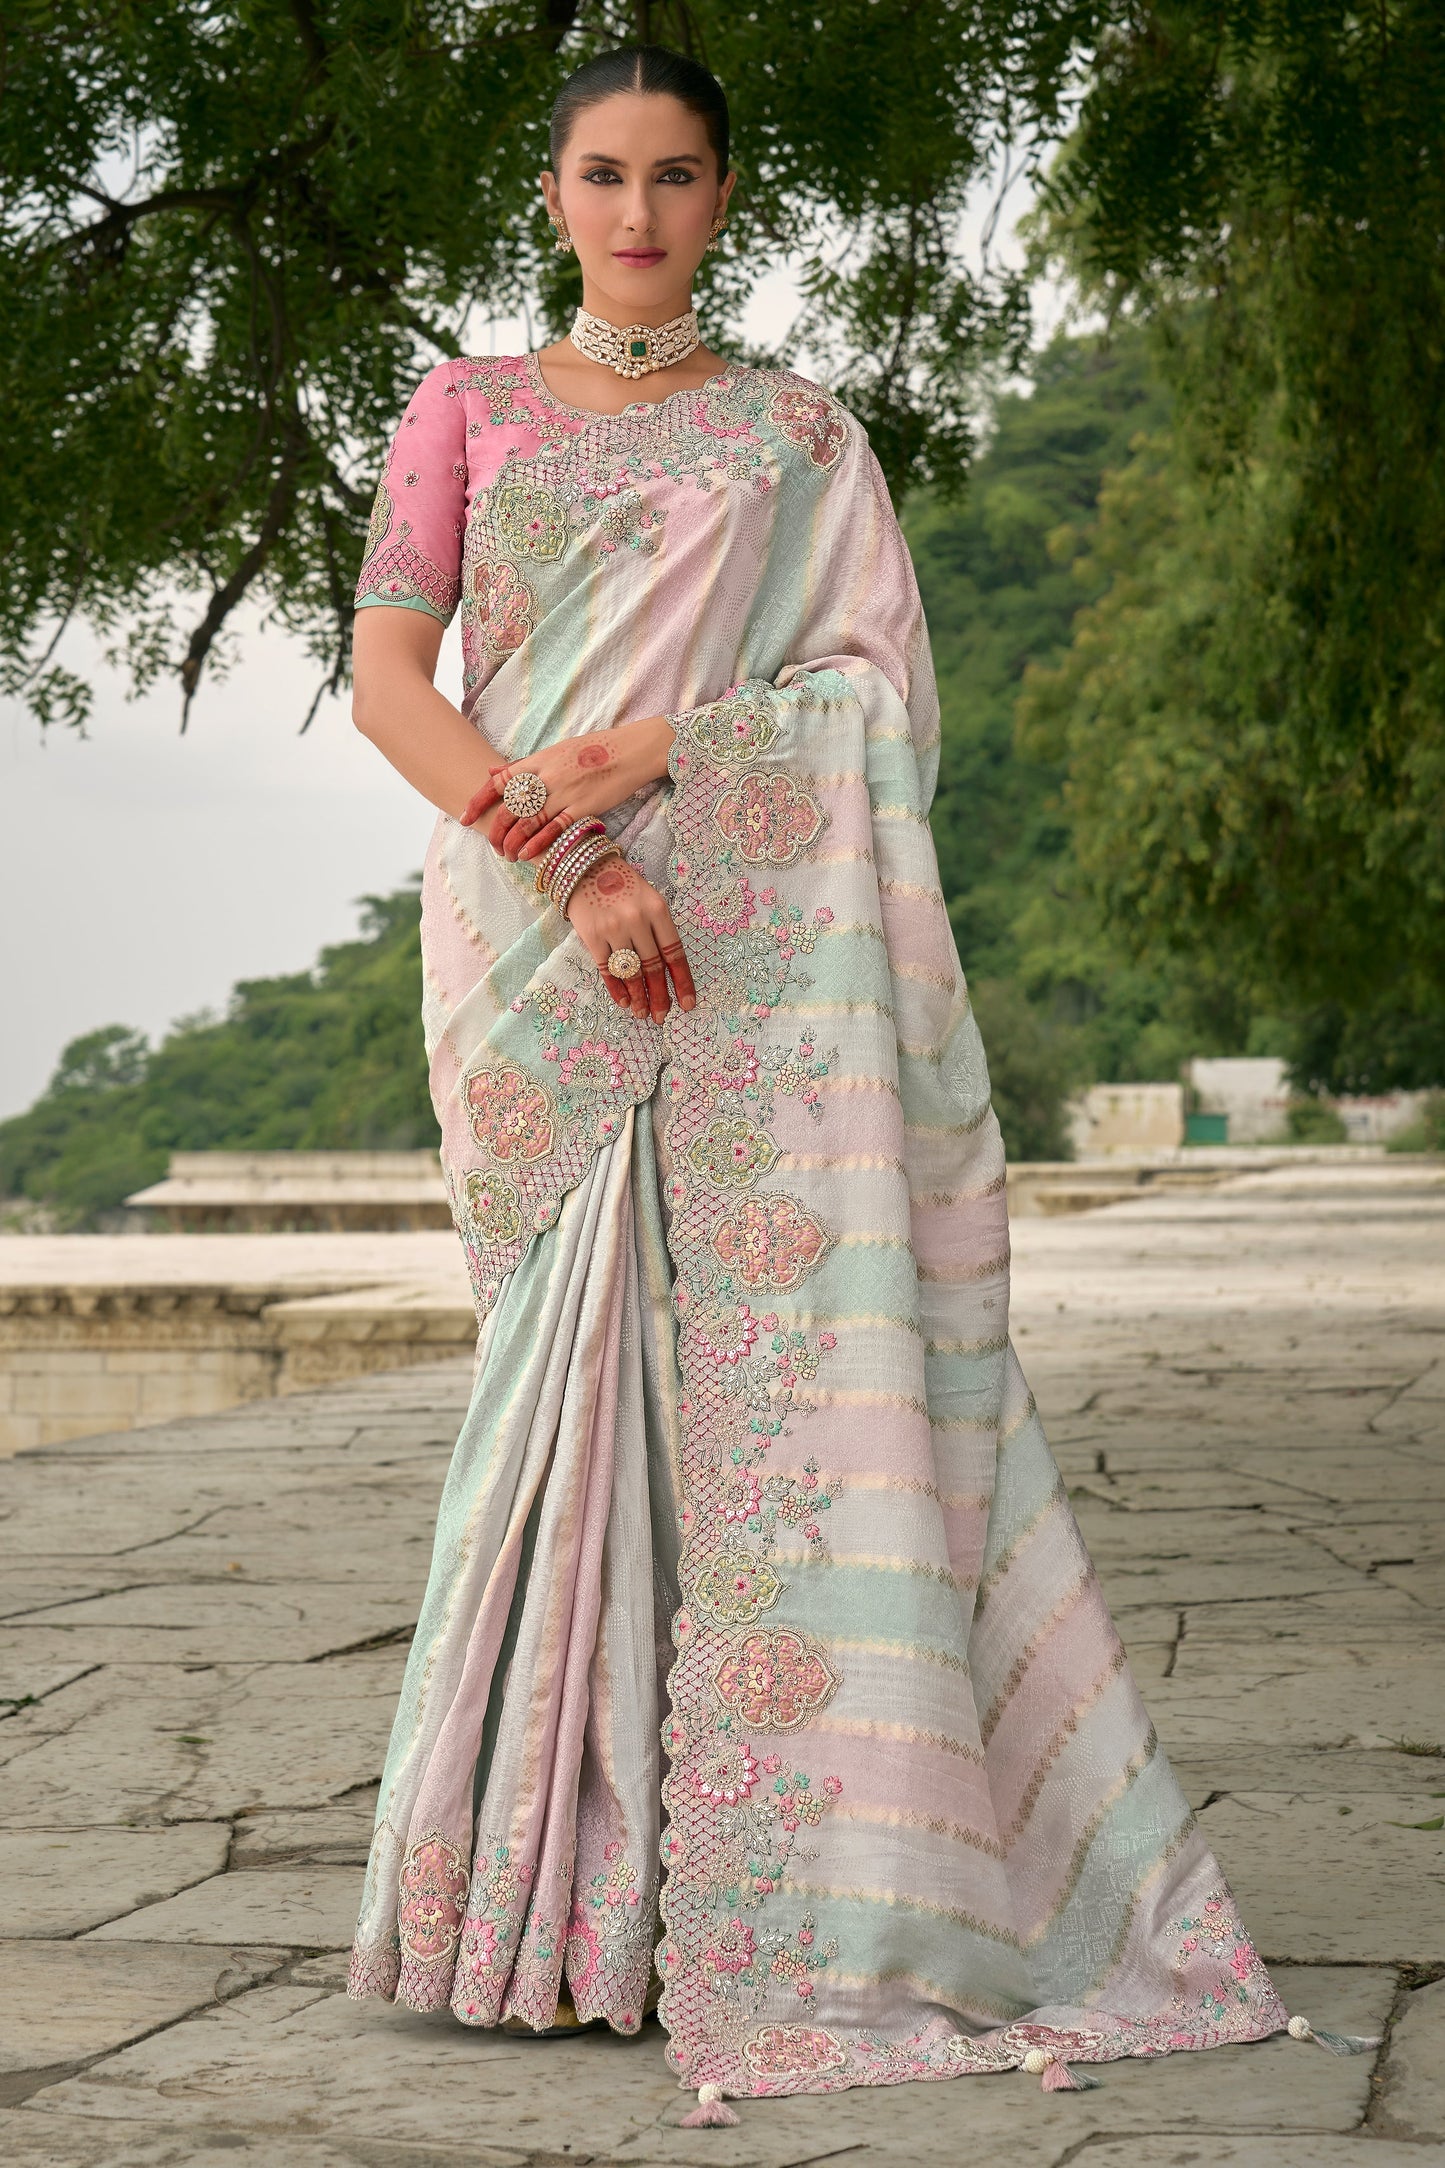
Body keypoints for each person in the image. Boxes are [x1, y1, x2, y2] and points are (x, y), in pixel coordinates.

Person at [343, 41, 1364, 2118]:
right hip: (533, 939)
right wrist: (578, 856)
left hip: (748, 933)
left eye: (677, 176)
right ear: (553, 196)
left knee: (757, 1383)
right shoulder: (462, 409)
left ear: (724, 196)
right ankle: (544, 1903)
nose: (639, 212)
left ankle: (737, 1898)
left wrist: (670, 754)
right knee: (558, 1370)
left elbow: (875, 699)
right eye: (605, 174)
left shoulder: (803, 439)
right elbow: (386, 680)